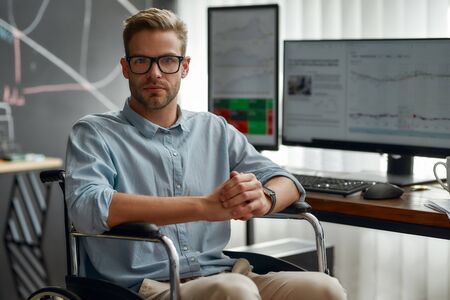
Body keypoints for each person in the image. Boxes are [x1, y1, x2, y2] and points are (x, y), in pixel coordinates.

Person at [65, 7, 347, 300]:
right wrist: (202, 207)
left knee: (326, 288)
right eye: (141, 61)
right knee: (235, 291)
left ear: (184, 66)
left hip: (224, 273)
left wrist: (264, 199)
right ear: (125, 67)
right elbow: (87, 208)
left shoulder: (214, 129)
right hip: (145, 288)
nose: (155, 73)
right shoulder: (93, 133)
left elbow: (285, 180)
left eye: (168, 61)